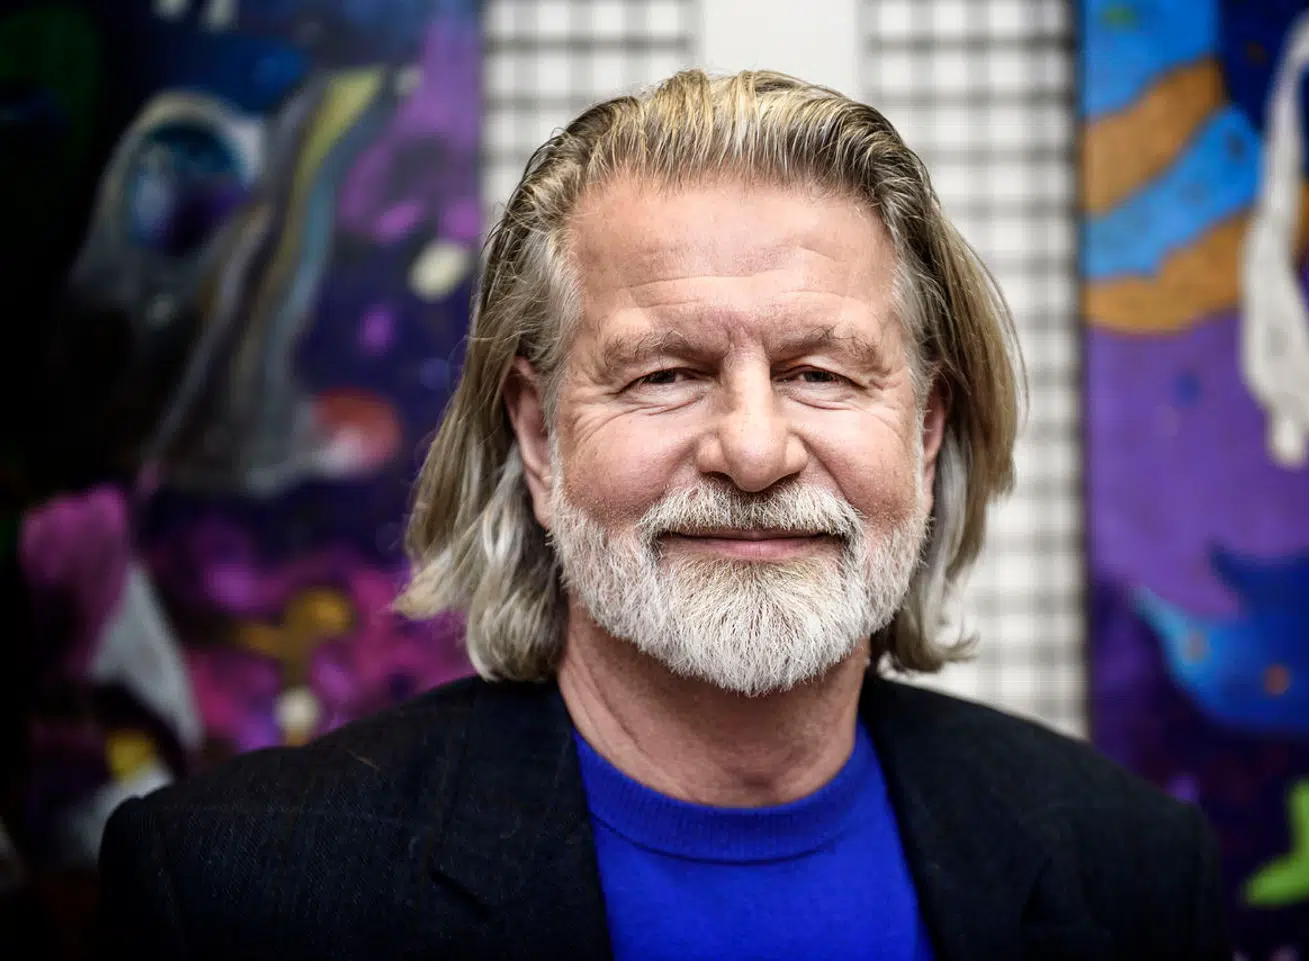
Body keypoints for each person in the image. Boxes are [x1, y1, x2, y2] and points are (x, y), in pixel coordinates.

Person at [99, 69, 1229, 960]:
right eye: (666, 375)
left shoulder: (1129, 867)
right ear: (540, 439)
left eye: (821, 373)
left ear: (926, 435)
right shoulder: (239, 892)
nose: (754, 449)